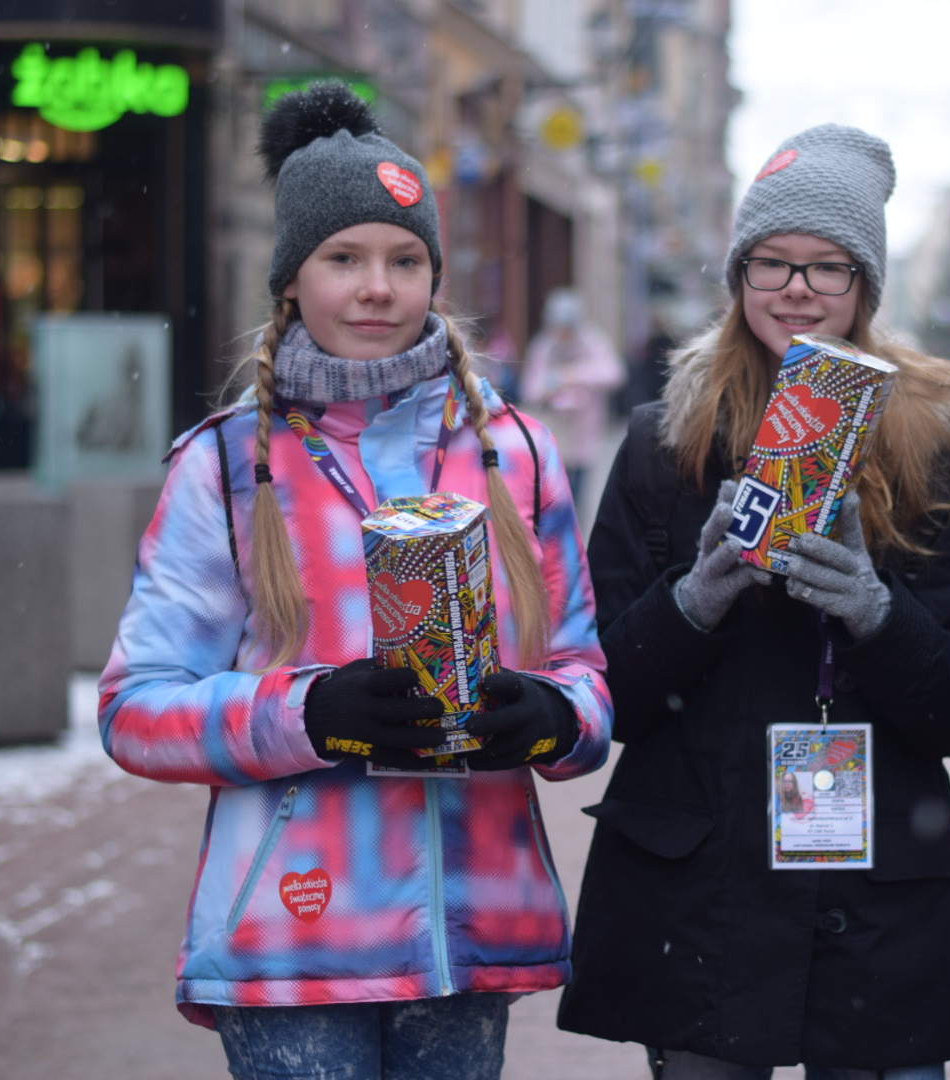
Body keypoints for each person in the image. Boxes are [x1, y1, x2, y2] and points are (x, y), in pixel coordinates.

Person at [96, 84, 611, 1080]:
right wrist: (312, 711)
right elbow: (135, 709)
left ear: (435, 276)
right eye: (345, 258)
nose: (378, 287)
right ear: (293, 280)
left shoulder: (519, 453)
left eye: (405, 260)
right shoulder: (226, 463)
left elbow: (586, 678)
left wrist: (545, 718)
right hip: (293, 943)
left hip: (474, 939)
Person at [556, 123, 950, 1080]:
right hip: (701, 886)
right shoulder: (661, 443)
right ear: (739, 276)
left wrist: (874, 612)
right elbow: (609, 694)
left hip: (876, 886)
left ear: (865, 288)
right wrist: (697, 597)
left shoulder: (930, 450)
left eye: (829, 267)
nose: (798, 288)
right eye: (772, 263)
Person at [521, 286, 627, 501]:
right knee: (552, 496)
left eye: (566, 328)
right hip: (553, 432)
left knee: (577, 494)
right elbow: (530, 389)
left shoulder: (592, 341)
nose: (561, 334)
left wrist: (574, 375)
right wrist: (552, 386)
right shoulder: (543, 346)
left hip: (585, 432)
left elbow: (615, 373)